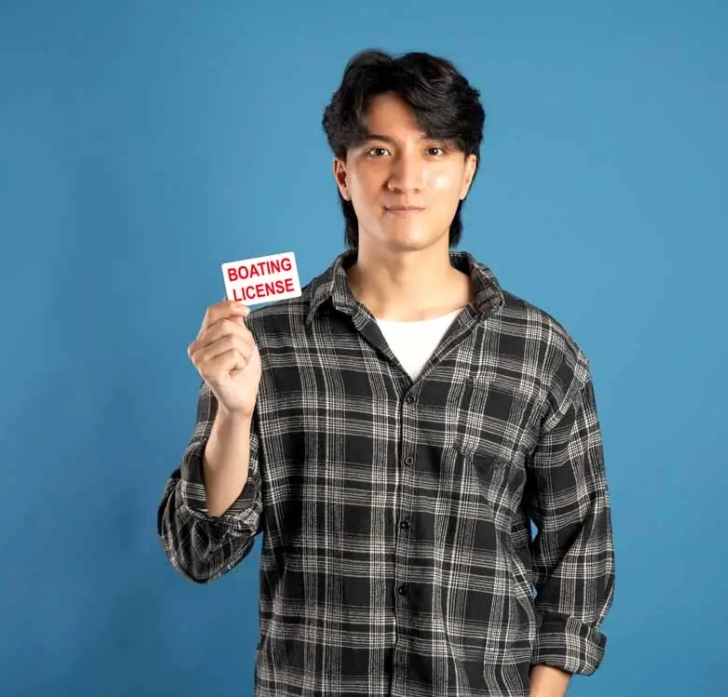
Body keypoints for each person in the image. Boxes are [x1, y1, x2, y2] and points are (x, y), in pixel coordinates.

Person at [157, 48, 616, 697]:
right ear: (342, 173)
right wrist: (233, 412)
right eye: (379, 151)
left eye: (433, 151)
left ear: (467, 173)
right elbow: (202, 550)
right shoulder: (267, 343)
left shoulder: (541, 351)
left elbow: (579, 558)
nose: (407, 177)